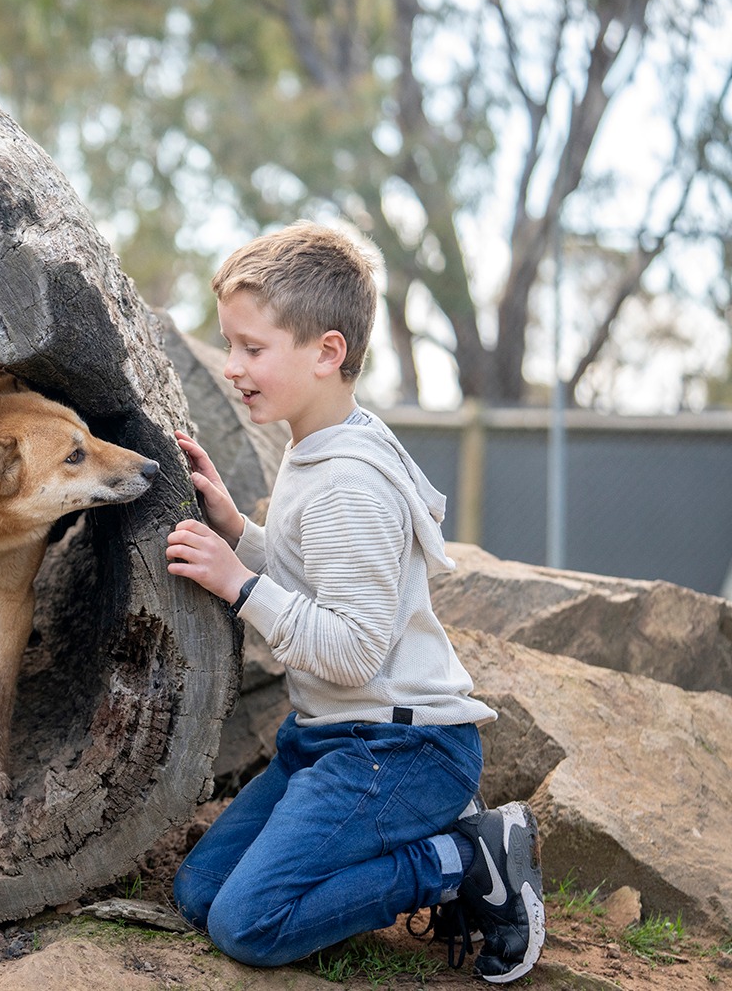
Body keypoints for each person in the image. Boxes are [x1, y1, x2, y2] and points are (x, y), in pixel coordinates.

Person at [165, 222, 545, 984]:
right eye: (230, 345)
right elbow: (315, 571)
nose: (233, 366)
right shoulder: (319, 444)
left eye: (251, 348)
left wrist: (237, 586)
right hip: (330, 739)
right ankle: (413, 854)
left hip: (399, 751)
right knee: (199, 893)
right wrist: (239, 532)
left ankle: (461, 859)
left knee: (249, 923)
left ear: (327, 352)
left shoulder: (348, 482)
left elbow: (353, 650)